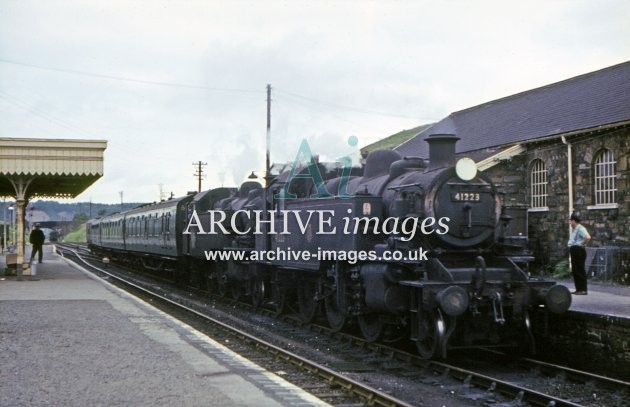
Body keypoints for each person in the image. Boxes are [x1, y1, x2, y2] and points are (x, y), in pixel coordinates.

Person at [567, 213, 591, 295]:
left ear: (574, 221)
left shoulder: (580, 228)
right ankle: (579, 289)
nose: (570, 223)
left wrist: (582, 244)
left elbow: (587, 237)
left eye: (570, 221)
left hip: (578, 250)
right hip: (575, 250)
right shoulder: (576, 228)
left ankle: (583, 290)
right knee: (575, 270)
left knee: (580, 270)